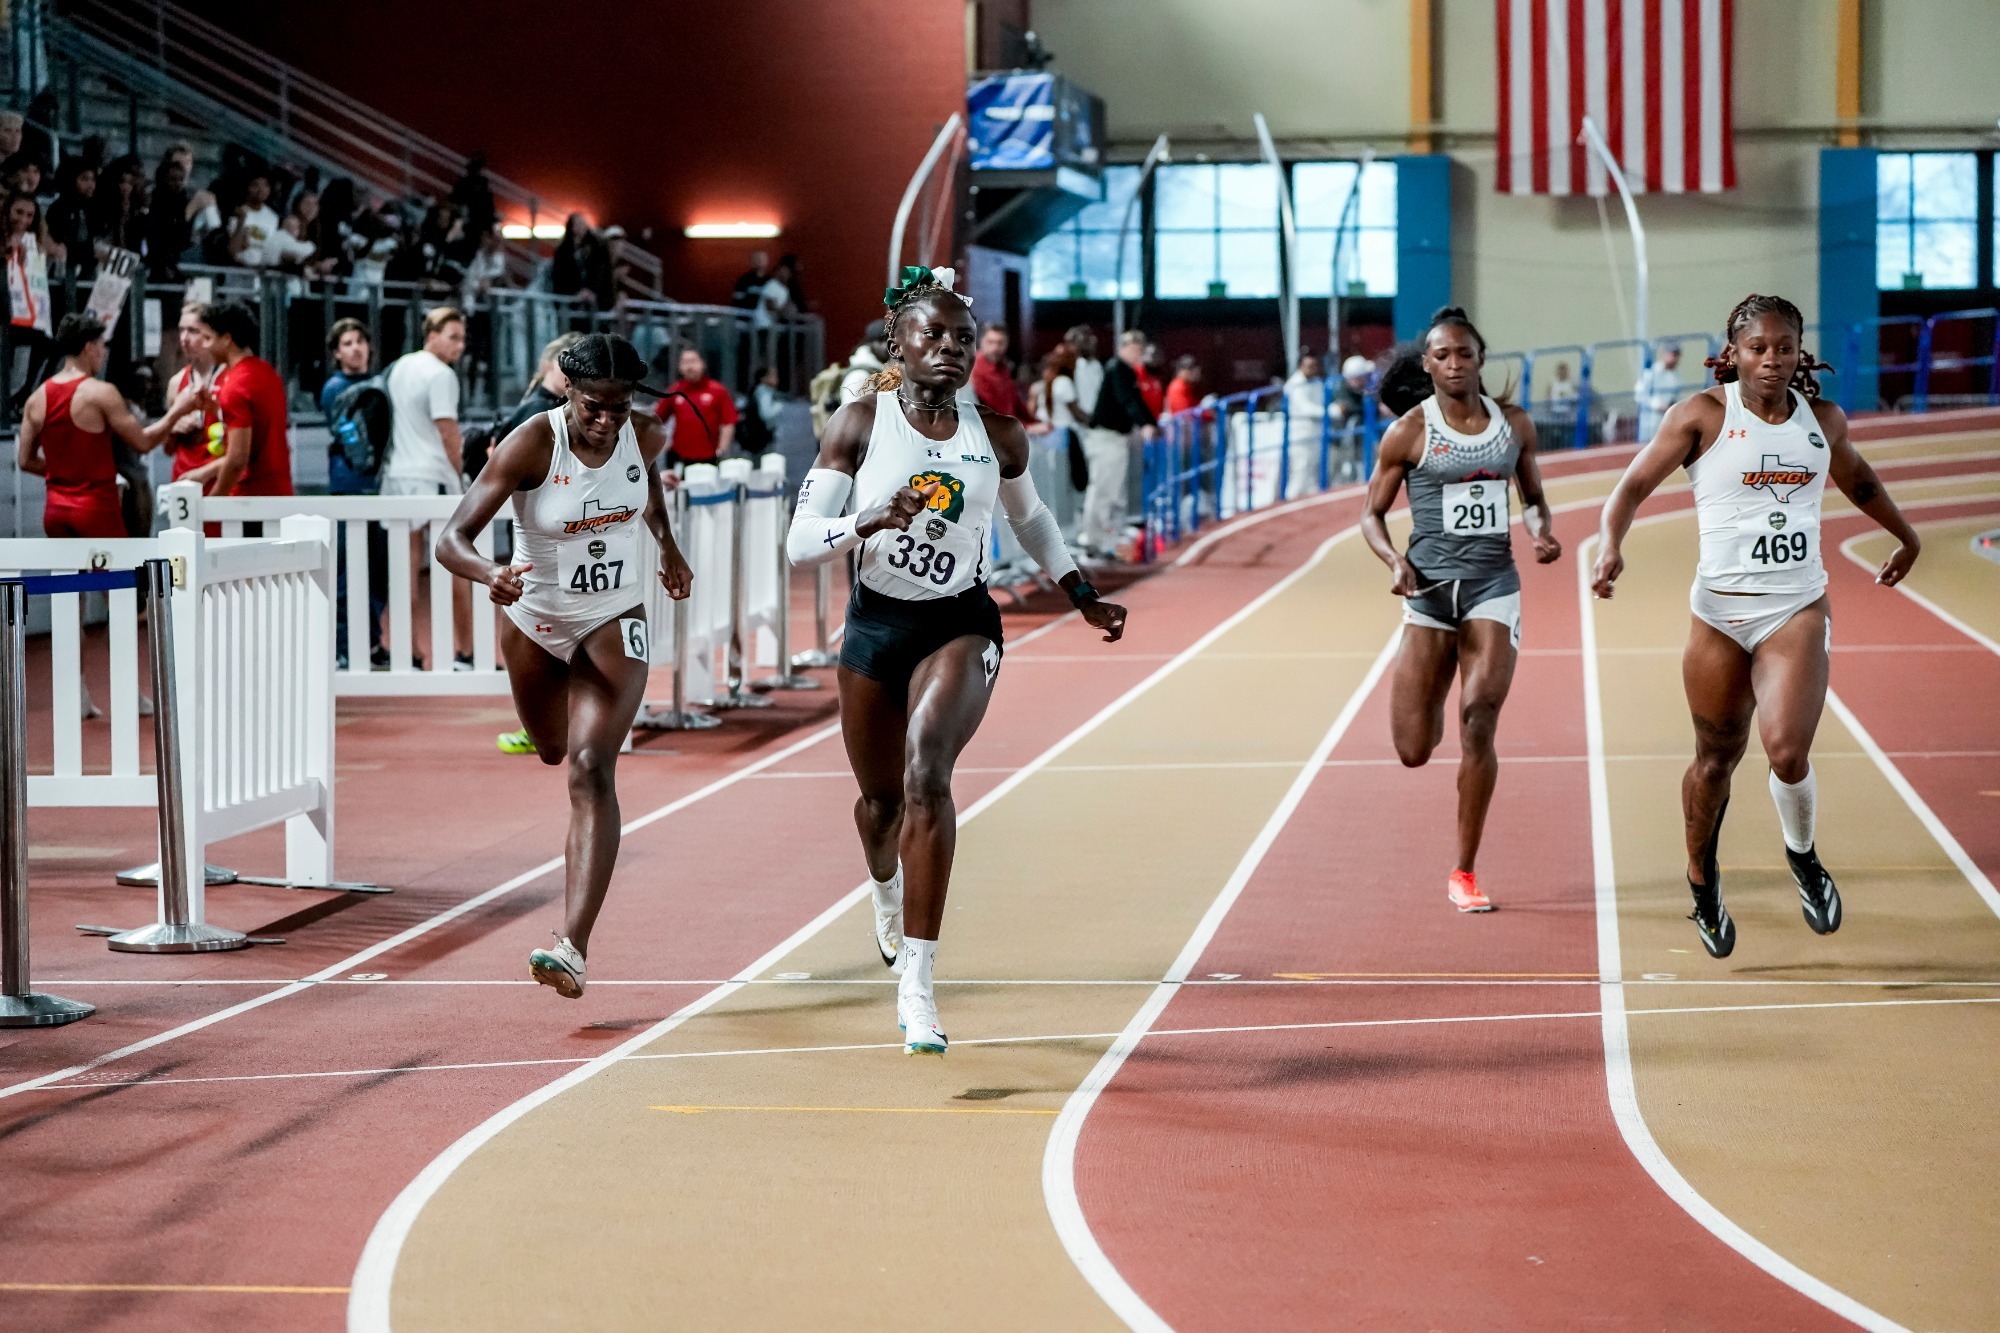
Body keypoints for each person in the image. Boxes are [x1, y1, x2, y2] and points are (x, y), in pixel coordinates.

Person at [786, 265, 1127, 1055]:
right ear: (897, 344)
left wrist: (1081, 592)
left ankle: (919, 982)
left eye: (963, 338)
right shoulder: (859, 424)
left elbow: (1033, 518)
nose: (950, 347)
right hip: (875, 628)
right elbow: (800, 543)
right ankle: (883, 887)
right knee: (879, 806)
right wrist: (864, 521)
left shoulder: (997, 434)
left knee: (925, 775)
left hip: (962, 625)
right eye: (932, 334)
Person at [1591, 293, 1921, 958]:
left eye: (1784, 347)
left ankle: (1803, 858)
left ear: (1801, 352)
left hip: (1794, 607)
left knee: (1786, 750)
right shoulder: (1702, 416)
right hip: (1717, 613)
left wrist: (1907, 538)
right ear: (1733, 352)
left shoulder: (1821, 420)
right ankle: (1702, 881)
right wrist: (1609, 544)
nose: (1771, 360)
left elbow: (1858, 484)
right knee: (1715, 759)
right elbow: (1629, 489)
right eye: (1758, 347)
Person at [436, 334, 693, 998]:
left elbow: (645, 495)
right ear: (567, 392)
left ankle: (572, 945)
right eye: (593, 407)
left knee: (589, 768)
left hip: (615, 615)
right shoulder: (532, 441)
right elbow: (450, 538)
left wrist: (665, 546)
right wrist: (490, 571)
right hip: (534, 618)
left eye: (619, 406)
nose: (607, 421)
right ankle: (554, 740)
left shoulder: (646, 433)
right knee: (552, 749)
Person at [1360, 307, 1561, 914]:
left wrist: (1540, 533)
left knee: (1479, 720)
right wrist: (1395, 562)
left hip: (1491, 587)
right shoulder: (1409, 432)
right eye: (1441, 356)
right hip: (1427, 593)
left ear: (1479, 359)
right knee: (1414, 748)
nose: (1453, 364)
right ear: (1426, 364)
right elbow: (1370, 515)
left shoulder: (1514, 425)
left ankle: (1465, 871)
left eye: (1464, 354)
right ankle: (1434, 681)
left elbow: (1534, 499)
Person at [16, 313, 193, 537]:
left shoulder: (36, 399)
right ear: (88, 348)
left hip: (55, 510)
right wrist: (178, 410)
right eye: (102, 346)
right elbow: (143, 443)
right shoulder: (101, 393)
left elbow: (25, 461)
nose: (104, 353)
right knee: (115, 571)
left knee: (68, 572)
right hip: (95, 508)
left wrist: (67, 473)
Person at [382, 306, 474, 667]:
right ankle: (466, 651)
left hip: (397, 476)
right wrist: (461, 475)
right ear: (431, 335)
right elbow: (448, 432)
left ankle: (408, 652)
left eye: (463, 338)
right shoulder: (441, 375)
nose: (460, 345)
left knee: (404, 571)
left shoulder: (400, 367)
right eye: (453, 337)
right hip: (432, 476)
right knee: (455, 567)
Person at [180, 301, 293, 497]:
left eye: (208, 338)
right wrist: (216, 410)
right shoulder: (267, 373)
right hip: (280, 490)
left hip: (250, 498)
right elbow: (259, 428)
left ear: (226, 339)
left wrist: (214, 502)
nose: (205, 345)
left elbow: (237, 459)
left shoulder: (234, 386)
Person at [1080, 329, 1157, 554]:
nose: (1139, 354)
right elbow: (1128, 399)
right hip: (1106, 438)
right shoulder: (1118, 370)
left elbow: (1134, 400)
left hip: (1113, 438)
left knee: (1113, 492)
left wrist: (1149, 422)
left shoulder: (1125, 371)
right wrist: (1145, 424)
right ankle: (1095, 542)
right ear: (1125, 347)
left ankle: (1104, 541)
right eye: (1136, 349)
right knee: (1104, 492)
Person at [653, 345, 737, 466]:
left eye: (693, 361)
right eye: (684, 362)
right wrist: (661, 443)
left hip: (709, 456)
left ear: (703, 363)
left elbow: (728, 423)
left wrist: (722, 450)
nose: (689, 367)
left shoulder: (718, 391)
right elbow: (656, 419)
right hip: (679, 456)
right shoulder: (675, 390)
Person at [551, 212, 613, 308]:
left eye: (584, 224)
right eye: (579, 224)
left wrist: (590, 289)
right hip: (572, 298)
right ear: (572, 227)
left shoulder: (596, 247)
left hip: (593, 298)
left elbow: (599, 270)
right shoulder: (563, 251)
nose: (582, 227)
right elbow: (560, 275)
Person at [970, 322, 1030, 420]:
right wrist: (1027, 426)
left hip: (1009, 424)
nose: (995, 348)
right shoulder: (976, 369)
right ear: (981, 342)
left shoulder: (1003, 366)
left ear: (1007, 344)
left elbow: (1014, 402)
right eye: (990, 342)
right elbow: (994, 410)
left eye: (1000, 343)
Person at [227, 171, 281, 268]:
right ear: (248, 188)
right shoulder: (239, 212)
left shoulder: (273, 217)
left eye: (265, 186)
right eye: (256, 185)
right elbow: (234, 251)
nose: (261, 190)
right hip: (240, 270)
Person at [1636, 342, 1683, 441]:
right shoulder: (1651, 373)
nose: (1674, 358)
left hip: (1667, 421)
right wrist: (1657, 405)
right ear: (1664, 354)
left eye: (1676, 354)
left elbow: (1676, 397)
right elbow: (1639, 394)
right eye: (1672, 354)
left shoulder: (1676, 376)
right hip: (1650, 423)